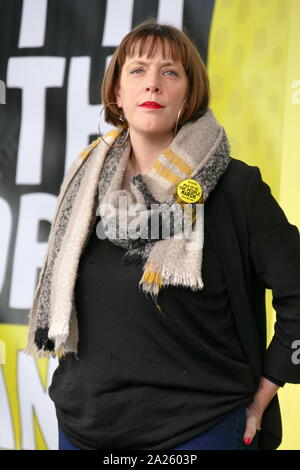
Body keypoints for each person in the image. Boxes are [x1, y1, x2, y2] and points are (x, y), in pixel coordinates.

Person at [24, 19, 300, 451]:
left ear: (188, 95)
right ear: (117, 93)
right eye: (136, 71)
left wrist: (266, 391)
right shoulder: (84, 186)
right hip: (84, 429)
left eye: (169, 72)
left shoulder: (236, 188)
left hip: (198, 431)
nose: (152, 84)